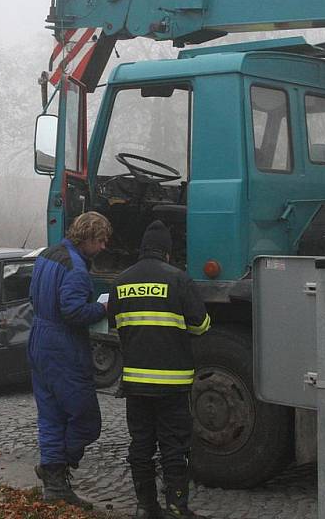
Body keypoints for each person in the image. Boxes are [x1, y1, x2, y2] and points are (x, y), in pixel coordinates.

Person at [107, 220, 210, 519]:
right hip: (172, 383)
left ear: (141, 250)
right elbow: (201, 325)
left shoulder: (120, 281)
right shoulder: (179, 280)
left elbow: (115, 325)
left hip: (135, 383)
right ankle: (177, 507)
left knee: (140, 445)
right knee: (174, 446)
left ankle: (145, 507)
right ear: (167, 252)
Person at [28, 211, 112, 508]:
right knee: (86, 419)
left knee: (51, 414)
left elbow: (32, 296)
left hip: (38, 339)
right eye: (100, 241)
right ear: (87, 237)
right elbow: (74, 312)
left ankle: (53, 483)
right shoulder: (76, 269)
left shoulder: (47, 255)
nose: (103, 247)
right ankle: (57, 468)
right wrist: (103, 309)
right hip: (63, 346)